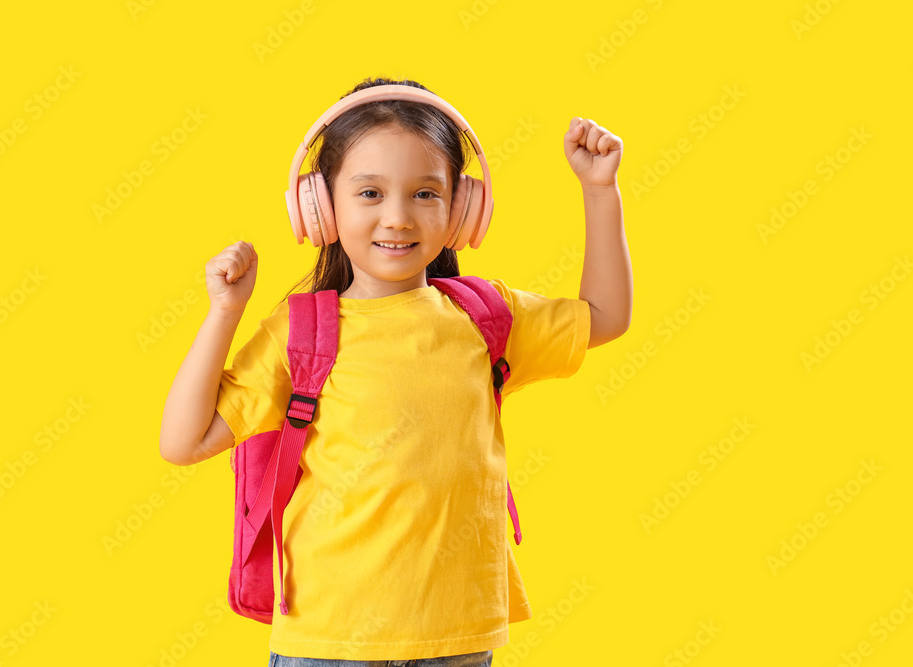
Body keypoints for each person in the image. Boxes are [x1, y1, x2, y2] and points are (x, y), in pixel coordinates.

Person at [159, 76, 632, 666]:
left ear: (463, 208)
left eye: (426, 194)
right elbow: (183, 441)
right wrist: (225, 313)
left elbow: (606, 317)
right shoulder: (303, 330)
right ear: (321, 206)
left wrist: (599, 191)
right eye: (370, 194)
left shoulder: (485, 315)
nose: (398, 218)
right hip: (329, 644)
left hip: (457, 641)